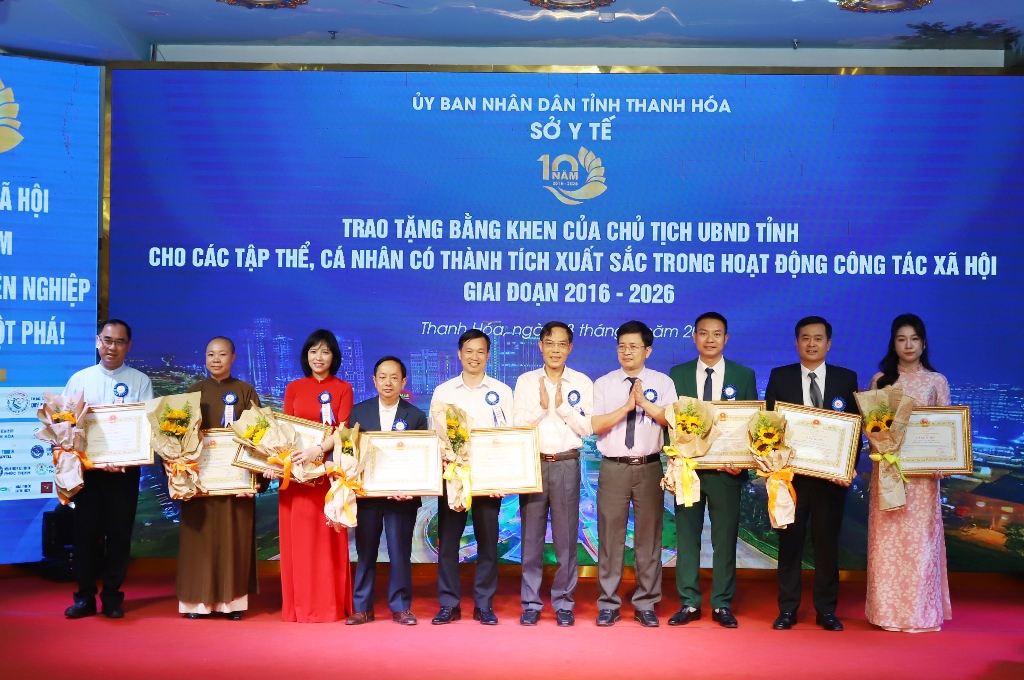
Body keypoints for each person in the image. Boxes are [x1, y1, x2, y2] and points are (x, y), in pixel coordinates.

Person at [764, 315, 859, 632]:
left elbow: (854, 429)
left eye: (818, 338)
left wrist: (848, 466)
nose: (812, 343)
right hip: (791, 480)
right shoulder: (781, 377)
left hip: (830, 482)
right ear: (797, 343)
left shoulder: (846, 379)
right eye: (805, 338)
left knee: (826, 546)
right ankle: (787, 609)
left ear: (828, 344)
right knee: (789, 545)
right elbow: (769, 426)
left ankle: (826, 610)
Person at [667, 312, 757, 628]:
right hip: (688, 471)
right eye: (703, 333)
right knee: (687, 538)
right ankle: (689, 602)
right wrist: (674, 457)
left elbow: (751, 424)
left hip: (725, 473)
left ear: (726, 338)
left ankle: (721, 603)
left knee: (725, 539)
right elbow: (670, 421)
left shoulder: (743, 375)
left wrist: (742, 462)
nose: (710, 339)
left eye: (716, 334)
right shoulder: (677, 375)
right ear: (694, 337)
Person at [62, 319, 154, 619]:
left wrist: (126, 457)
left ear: (129, 345)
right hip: (88, 471)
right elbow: (65, 425)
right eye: (107, 340)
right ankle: (85, 597)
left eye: (119, 341)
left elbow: (147, 427)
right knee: (85, 534)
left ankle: (112, 597)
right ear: (97, 341)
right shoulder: (79, 380)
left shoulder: (140, 381)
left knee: (119, 534)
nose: (112, 347)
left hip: (124, 473)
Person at [865, 314, 951, 632]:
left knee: (920, 546)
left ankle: (919, 615)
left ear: (923, 343)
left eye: (914, 339)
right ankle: (887, 613)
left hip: (923, 481)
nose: (908, 345)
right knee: (888, 544)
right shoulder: (881, 381)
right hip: (889, 474)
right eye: (902, 339)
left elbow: (947, 429)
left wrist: (946, 462)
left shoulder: (936, 381)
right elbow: (871, 430)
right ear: (894, 344)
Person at [592, 320, 677, 627]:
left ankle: (646, 603)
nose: (627, 352)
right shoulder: (603, 383)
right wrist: (627, 407)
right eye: (622, 346)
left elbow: (672, 420)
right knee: (609, 538)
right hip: (613, 467)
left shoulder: (663, 382)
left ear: (648, 350)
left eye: (633, 346)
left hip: (650, 467)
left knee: (649, 539)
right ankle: (608, 603)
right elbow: (596, 425)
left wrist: (644, 403)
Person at [429, 329, 514, 625]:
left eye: (480, 351)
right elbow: (434, 436)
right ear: (459, 354)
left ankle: (484, 604)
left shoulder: (502, 391)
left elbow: (508, 438)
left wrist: (502, 479)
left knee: (488, 542)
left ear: (488, 355)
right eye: (469, 351)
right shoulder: (444, 392)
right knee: (448, 543)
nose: (474, 357)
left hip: (487, 479)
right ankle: (448, 604)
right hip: (454, 478)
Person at [513, 321, 593, 627]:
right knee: (531, 538)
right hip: (532, 465)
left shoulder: (582, 382)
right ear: (540, 346)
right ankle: (531, 603)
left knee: (566, 538)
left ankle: (564, 602)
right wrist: (541, 407)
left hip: (566, 463)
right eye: (550, 343)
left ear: (570, 348)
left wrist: (561, 408)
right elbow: (516, 425)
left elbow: (587, 428)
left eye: (562, 344)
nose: (555, 350)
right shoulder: (525, 381)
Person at [175, 336, 261, 620]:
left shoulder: (246, 391)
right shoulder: (193, 392)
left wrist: (255, 481)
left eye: (222, 354)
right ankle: (196, 604)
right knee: (199, 540)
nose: (215, 359)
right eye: (210, 354)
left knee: (233, 539)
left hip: (237, 483)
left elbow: (260, 437)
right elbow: (179, 438)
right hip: (201, 482)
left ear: (233, 358)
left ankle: (231, 604)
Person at [278, 329, 354, 623]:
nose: (318, 357)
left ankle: (329, 605)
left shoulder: (343, 388)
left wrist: (318, 451)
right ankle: (300, 607)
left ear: (334, 356)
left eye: (325, 351)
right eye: (313, 351)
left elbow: (343, 431)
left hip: (328, 476)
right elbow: (284, 430)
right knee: (299, 542)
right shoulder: (294, 388)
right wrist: (285, 461)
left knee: (327, 541)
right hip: (297, 477)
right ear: (305, 356)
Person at [346, 356, 428, 627]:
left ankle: (401, 607)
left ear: (403, 382)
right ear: (374, 380)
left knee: (399, 551)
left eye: (394, 377)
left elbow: (421, 458)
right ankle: (362, 608)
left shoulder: (416, 416)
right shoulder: (359, 412)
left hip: (401, 498)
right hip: (368, 496)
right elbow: (350, 452)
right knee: (365, 551)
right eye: (382, 377)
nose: (388, 382)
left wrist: (410, 488)